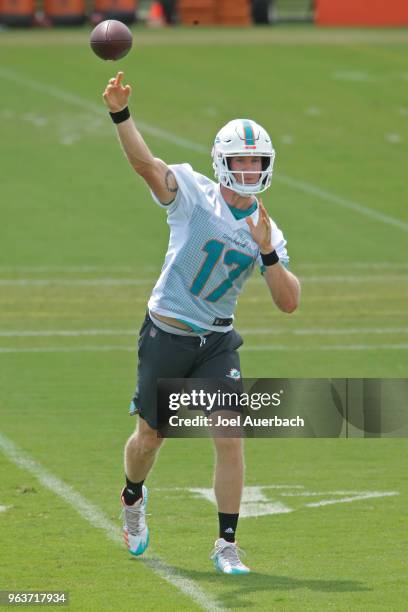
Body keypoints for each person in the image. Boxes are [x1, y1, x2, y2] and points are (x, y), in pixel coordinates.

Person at [103, 71, 300, 575]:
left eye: (257, 161)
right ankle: (132, 498)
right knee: (148, 439)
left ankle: (227, 544)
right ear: (222, 163)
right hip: (167, 334)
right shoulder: (194, 193)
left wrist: (267, 253)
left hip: (217, 340)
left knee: (231, 437)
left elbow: (289, 301)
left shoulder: (266, 229)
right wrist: (121, 114)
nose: (250, 169)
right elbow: (147, 166)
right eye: (241, 160)